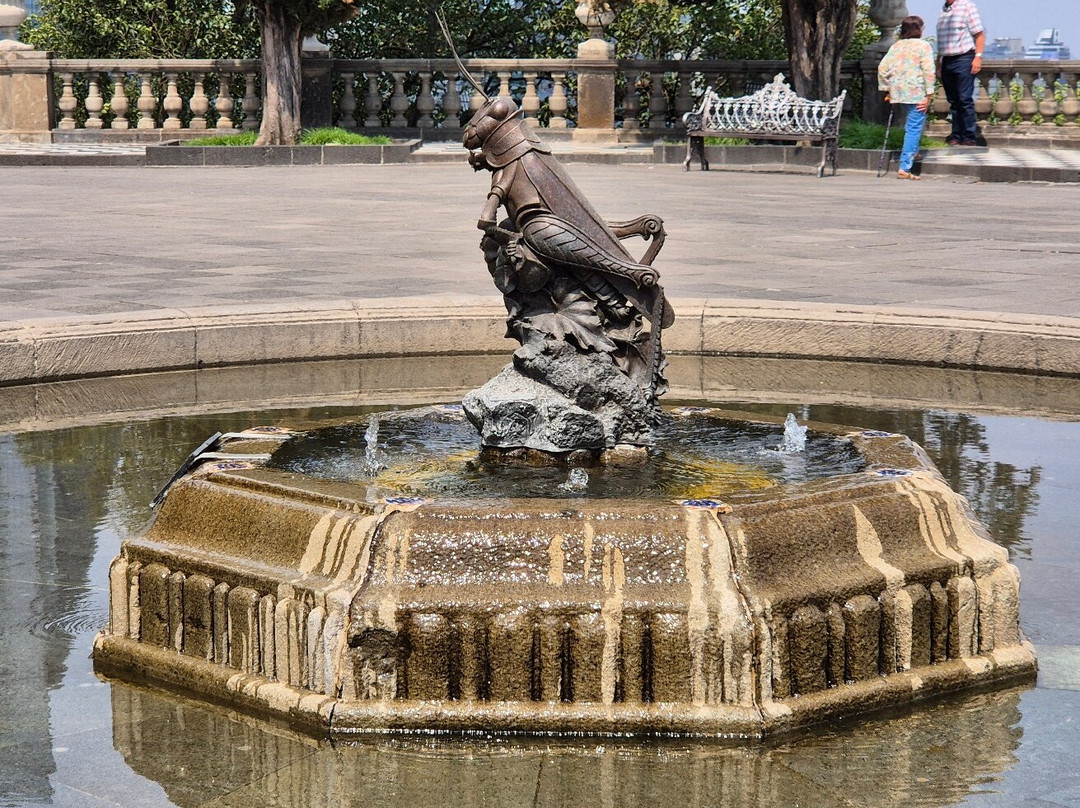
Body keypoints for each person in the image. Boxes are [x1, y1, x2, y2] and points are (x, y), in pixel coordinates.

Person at [879, 15, 936, 180]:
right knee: (914, 128)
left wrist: (887, 88)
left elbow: (883, 68)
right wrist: (929, 95)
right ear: (919, 29)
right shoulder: (924, 46)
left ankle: (913, 153)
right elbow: (928, 71)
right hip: (917, 92)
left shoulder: (896, 46)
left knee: (911, 125)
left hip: (898, 92)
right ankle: (905, 167)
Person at [936, 0, 986, 146]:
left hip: (963, 57)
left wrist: (978, 57)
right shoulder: (944, 10)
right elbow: (942, 40)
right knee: (953, 100)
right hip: (947, 59)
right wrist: (939, 61)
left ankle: (969, 136)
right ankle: (956, 135)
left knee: (964, 99)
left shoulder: (967, 6)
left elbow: (979, 34)